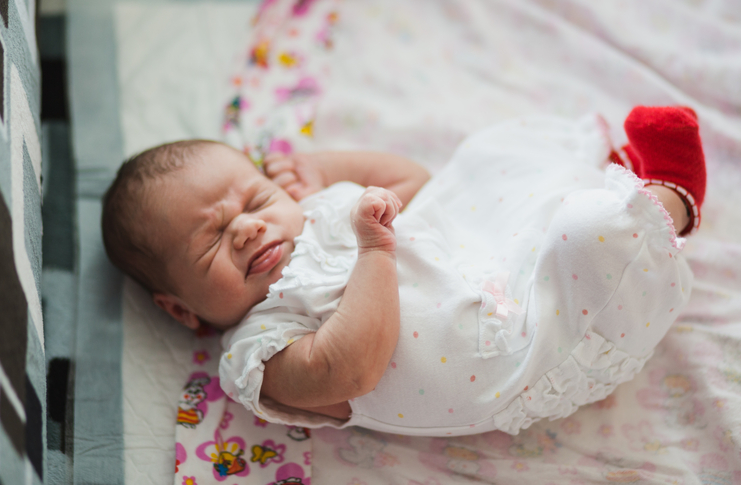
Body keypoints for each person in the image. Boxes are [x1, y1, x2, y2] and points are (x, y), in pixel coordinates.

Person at [102, 106, 705, 436]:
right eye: (210, 241)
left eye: (256, 199)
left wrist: (324, 169)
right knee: (589, 234)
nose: (247, 228)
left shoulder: (316, 212)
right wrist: (373, 252)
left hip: (488, 266)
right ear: (180, 307)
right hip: (521, 355)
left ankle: (613, 179)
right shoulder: (258, 347)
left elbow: (415, 183)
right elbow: (349, 369)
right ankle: (671, 199)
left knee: (487, 157)